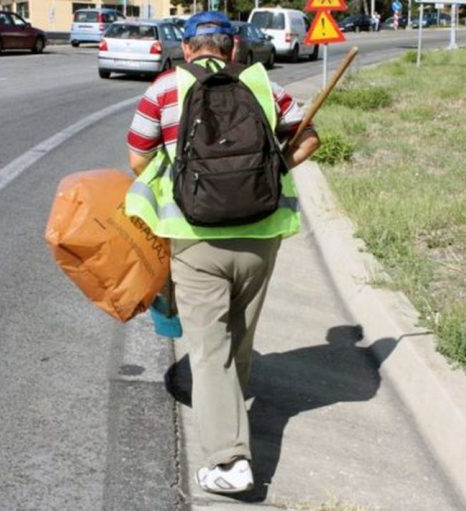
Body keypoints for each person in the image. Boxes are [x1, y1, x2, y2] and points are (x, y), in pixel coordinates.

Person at [124, 11, 319, 495]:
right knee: (238, 338)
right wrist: (273, 167)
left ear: (187, 49)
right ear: (233, 49)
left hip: (195, 238)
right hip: (260, 236)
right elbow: (309, 137)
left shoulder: (164, 89)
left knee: (209, 353)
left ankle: (228, 460)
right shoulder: (261, 86)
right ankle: (229, 412)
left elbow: (136, 158)